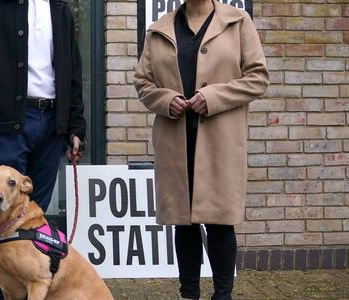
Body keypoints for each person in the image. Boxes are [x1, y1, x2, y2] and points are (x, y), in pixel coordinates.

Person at [0, 0, 85, 299]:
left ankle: (33, 291)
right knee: (0, 218)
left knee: (33, 221)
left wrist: (75, 127)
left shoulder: (61, 10)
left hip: (51, 126)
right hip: (6, 122)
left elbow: (72, 73)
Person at [135, 0, 269, 299]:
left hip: (220, 141)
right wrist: (164, 99)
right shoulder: (159, 30)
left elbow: (258, 77)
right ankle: (189, 295)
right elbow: (143, 83)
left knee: (220, 222)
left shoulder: (237, 22)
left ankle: (223, 296)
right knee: (183, 223)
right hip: (175, 140)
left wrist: (213, 96)